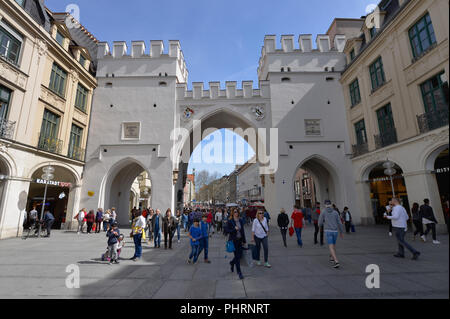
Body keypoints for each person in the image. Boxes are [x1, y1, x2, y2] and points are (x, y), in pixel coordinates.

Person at [318, 200, 344, 268]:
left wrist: (320, 225)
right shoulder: (335, 212)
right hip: (335, 231)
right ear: (331, 204)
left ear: (325, 205)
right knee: (333, 245)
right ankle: (332, 257)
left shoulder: (323, 212)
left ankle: (336, 261)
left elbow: (320, 222)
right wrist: (341, 232)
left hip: (328, 231)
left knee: (331, 246)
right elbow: (340, 223)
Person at [225, 209, 247, 279]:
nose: (236, 213)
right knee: (237, 257)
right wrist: (234, 229)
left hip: (240, 240)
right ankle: (239, 272)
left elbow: (242, 231)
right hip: (234, 241)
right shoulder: (230, 221)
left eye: (237, 212)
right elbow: (226, 230)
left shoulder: (240, 220)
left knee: (240, 256)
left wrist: (244, 241)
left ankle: (232, 263)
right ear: (232, 213)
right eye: (234, 212)